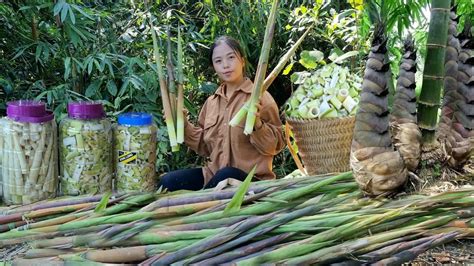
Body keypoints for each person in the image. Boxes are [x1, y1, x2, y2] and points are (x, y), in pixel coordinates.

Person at [158, 36, 285, 191]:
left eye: (231, 57)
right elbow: (204, 147)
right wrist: (183, 124)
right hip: (213, 176)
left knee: (226, 175)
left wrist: (257, 124)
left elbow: (275, 146)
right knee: (168, 181)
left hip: (251, 181)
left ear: (242, 61)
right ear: (214, 67)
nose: (225, 65)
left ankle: (200, 204)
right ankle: (203, 200)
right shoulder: (212, 102)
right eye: (218, 61)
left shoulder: (260, 97)